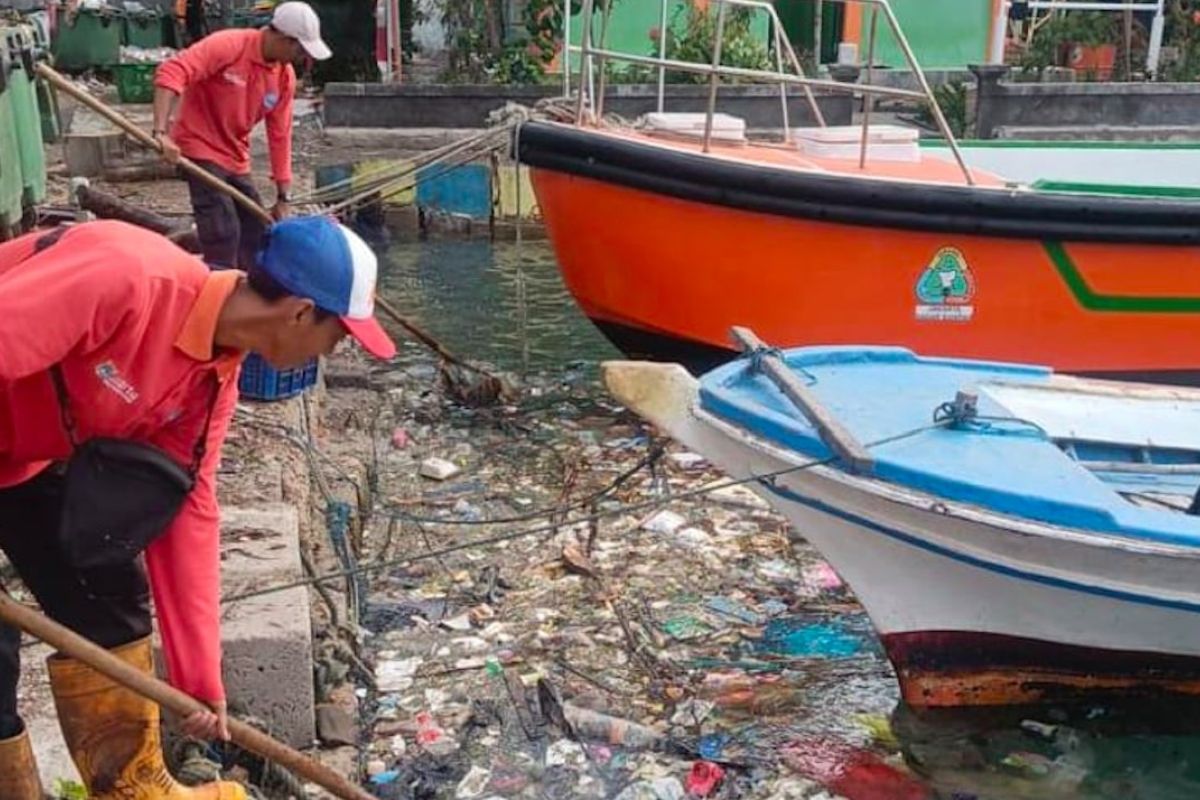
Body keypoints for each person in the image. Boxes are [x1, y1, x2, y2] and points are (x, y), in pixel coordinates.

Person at [0, 216, 395, 800]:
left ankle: (132, 788)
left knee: (107, 600)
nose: (332, 354)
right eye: (337, 338)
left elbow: (186, 510)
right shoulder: (127, 277)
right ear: (299, 312)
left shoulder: (213, 377)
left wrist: (198, 681)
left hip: (23, 459)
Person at [152, 2, 332, 269]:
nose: (301, 57)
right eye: (299, 49)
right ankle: (218, 290)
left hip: (235, 156)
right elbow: (172, 72)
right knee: (223, 230)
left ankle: (249, 290)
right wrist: (161, 132)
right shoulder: (229, 45)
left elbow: (280, 134)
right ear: (283, 38)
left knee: (257, 230)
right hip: (198, 145)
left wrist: (283, 197)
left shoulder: (284, 77)